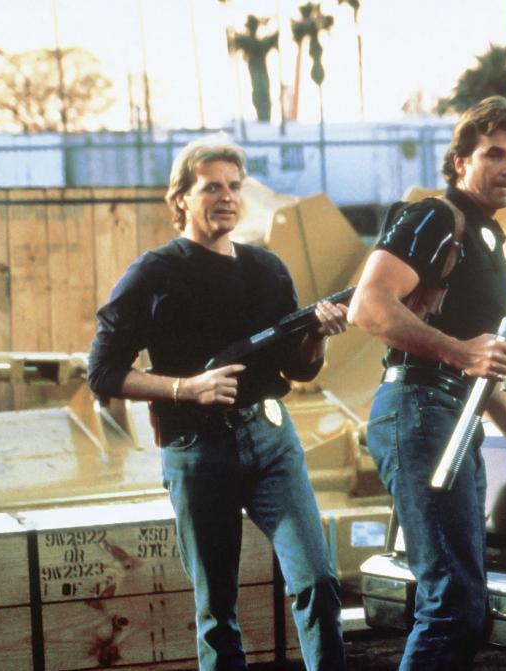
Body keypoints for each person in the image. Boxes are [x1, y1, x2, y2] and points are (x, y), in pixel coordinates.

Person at [348, 96, 506, 670]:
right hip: (418, 410)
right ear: (460, 162)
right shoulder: (436, 218)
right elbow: (368, 305)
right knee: (453, 603)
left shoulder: (487, 239)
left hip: (450, 416)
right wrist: (460, 352)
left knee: (465, 604)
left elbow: (486, 372)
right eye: (493, 154)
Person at [87, 137, 347, 671]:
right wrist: (188, 389)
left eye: (234, 186)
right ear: (180, 198)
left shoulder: (267, 269)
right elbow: (102, 372)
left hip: (272, 441)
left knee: (318, 581)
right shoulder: (153, 274)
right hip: (197, 450)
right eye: (211, 187)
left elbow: (297, 370)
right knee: (217, 611)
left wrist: (318, 335)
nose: (226, 197)